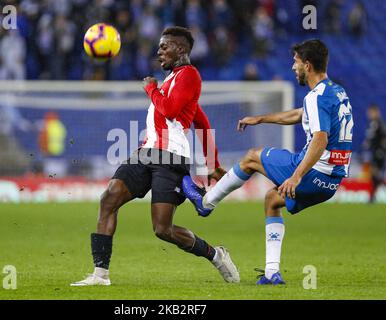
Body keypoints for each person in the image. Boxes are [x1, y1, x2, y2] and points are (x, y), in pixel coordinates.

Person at [71, 26, 239, 286]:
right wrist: (213, 163)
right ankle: (100, 275)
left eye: (164, 46)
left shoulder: (189, 75)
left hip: (171, 157)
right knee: (109, 198)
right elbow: (202, 123)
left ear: (180, 49)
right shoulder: (172, 81)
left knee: (163, 230)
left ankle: (216, 255)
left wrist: (150, 89)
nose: (159, 51)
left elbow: (171, 110)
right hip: (146, 154)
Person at [183, 39, 354, 285]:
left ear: (307, 65)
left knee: (252, 156)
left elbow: (319, 139)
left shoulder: (316, 97)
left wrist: (296, 176)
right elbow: (299, 115)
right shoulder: (336, 92)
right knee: (272, 200)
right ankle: (272, 273)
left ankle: (206, 203)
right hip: (331, 181)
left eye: (295, 63)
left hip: (312, 172)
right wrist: (261, 118)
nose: (292, 67)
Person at [362, 104, 386, 203]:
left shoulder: (379, 123)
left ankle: (372, 197)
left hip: (379, 152)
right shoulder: (373, 123)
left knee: (376, 173)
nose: (369, 114)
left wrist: (382, 150)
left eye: (371, 112)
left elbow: (384, 137)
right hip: (374, 151)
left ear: (376, 112)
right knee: (374, 175)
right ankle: (372, 197)